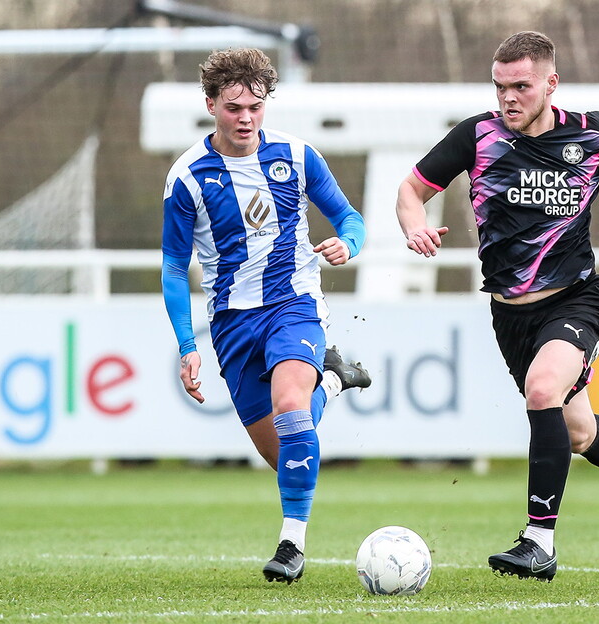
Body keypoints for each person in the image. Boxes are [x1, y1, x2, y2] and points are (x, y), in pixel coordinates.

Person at [396, 31, 599, 581]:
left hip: (577, 299)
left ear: (551, 83)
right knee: (578, 433)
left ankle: (537, 541)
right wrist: (415, 227)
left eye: (521, 86)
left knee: (543, 390)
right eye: (500, 87)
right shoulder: (477, 136)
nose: (508, 99)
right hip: (510, 314)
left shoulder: (590, 131)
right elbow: (410, 190)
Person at [160, 47, 371, 583]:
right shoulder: (187, 177)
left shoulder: (297, 157)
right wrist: (188, 346)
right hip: (232, 322)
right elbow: (172, 269)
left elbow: (349, 216)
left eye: (256, 106)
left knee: (290, 405)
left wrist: (348, 242)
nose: (247, 118)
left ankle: (291, 546)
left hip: (294, 304)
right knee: (285, 454)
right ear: (210, 104)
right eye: (234, 107)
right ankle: (334, 381)